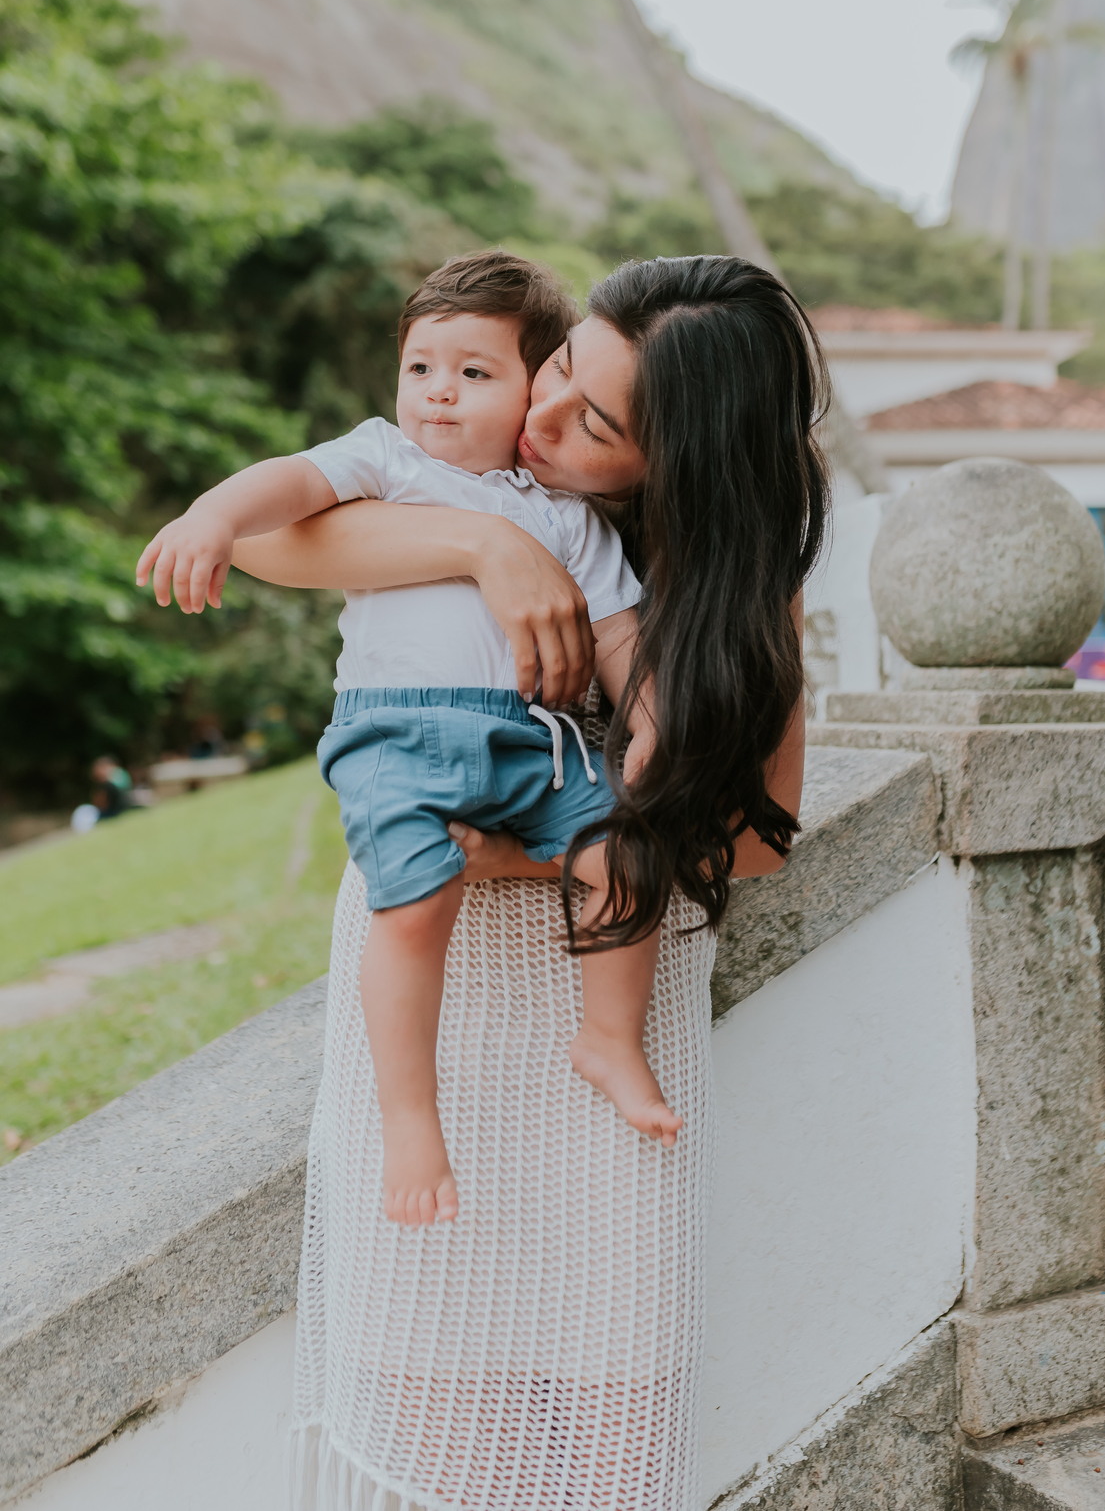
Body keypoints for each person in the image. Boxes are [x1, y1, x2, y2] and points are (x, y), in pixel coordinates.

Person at [233, 255, 830, 1511]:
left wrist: (541, 844)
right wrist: (488, 540)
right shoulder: (477, 472)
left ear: (682, 461)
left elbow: (762, 839)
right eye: (561, 370)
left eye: (596, 422)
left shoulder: (725, 596)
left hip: (604, 1018)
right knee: (432, 1409)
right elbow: (281, 540)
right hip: (425, 1008)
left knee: (614, 1429)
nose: (543, 419)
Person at [136, 253, 680, 1232]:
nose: (439, 390)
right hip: (395, 733)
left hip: (537, 743)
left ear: (533, 387)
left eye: (475, 372)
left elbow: (618, 638)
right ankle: (410, 1117)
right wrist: (213, 515)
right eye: (422, 365)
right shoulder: (388, 460)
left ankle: (608, 1035)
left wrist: (649, 725)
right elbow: (290, 483)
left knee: (629, 851)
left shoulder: (570, 519)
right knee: (415, 901)